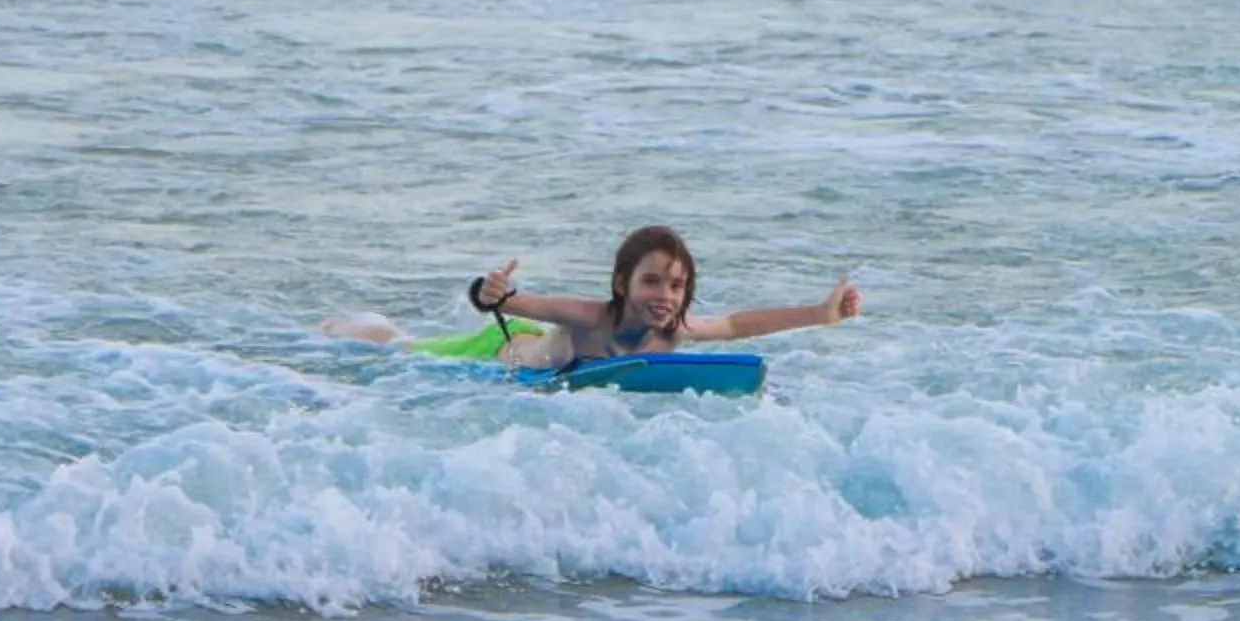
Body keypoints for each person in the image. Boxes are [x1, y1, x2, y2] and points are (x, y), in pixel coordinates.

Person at [326, 224, 862, 368]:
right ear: (622, 283)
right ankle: (356, 325)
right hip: (496, 355)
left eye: (676, 285)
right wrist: (494, 292)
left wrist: (821, 313)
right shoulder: (589, 317)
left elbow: (741, 324)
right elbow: (510, 303)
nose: (666, 295)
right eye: (651, 281)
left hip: (555, 365)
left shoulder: (674, 330)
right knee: (403, 348)